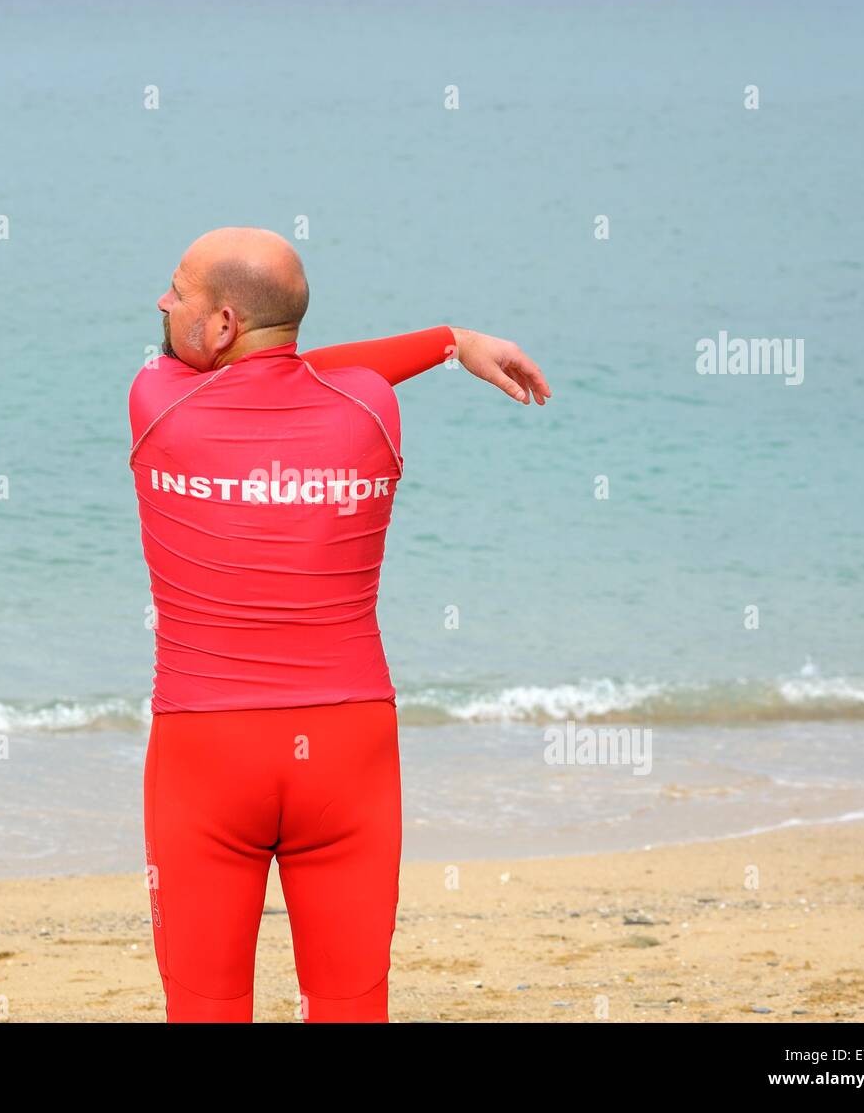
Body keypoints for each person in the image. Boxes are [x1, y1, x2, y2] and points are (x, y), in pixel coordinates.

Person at [128, 226, 550, 1022]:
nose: (162, 301)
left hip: (205, 755)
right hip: (347, 756)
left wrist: (449, 343)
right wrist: (452, 343)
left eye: (178, 291)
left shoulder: (156, 401)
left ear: (221, 326)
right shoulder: (372, 409)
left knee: (204, 1007)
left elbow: (286, 372)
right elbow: (317, 370)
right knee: (354, 1005)